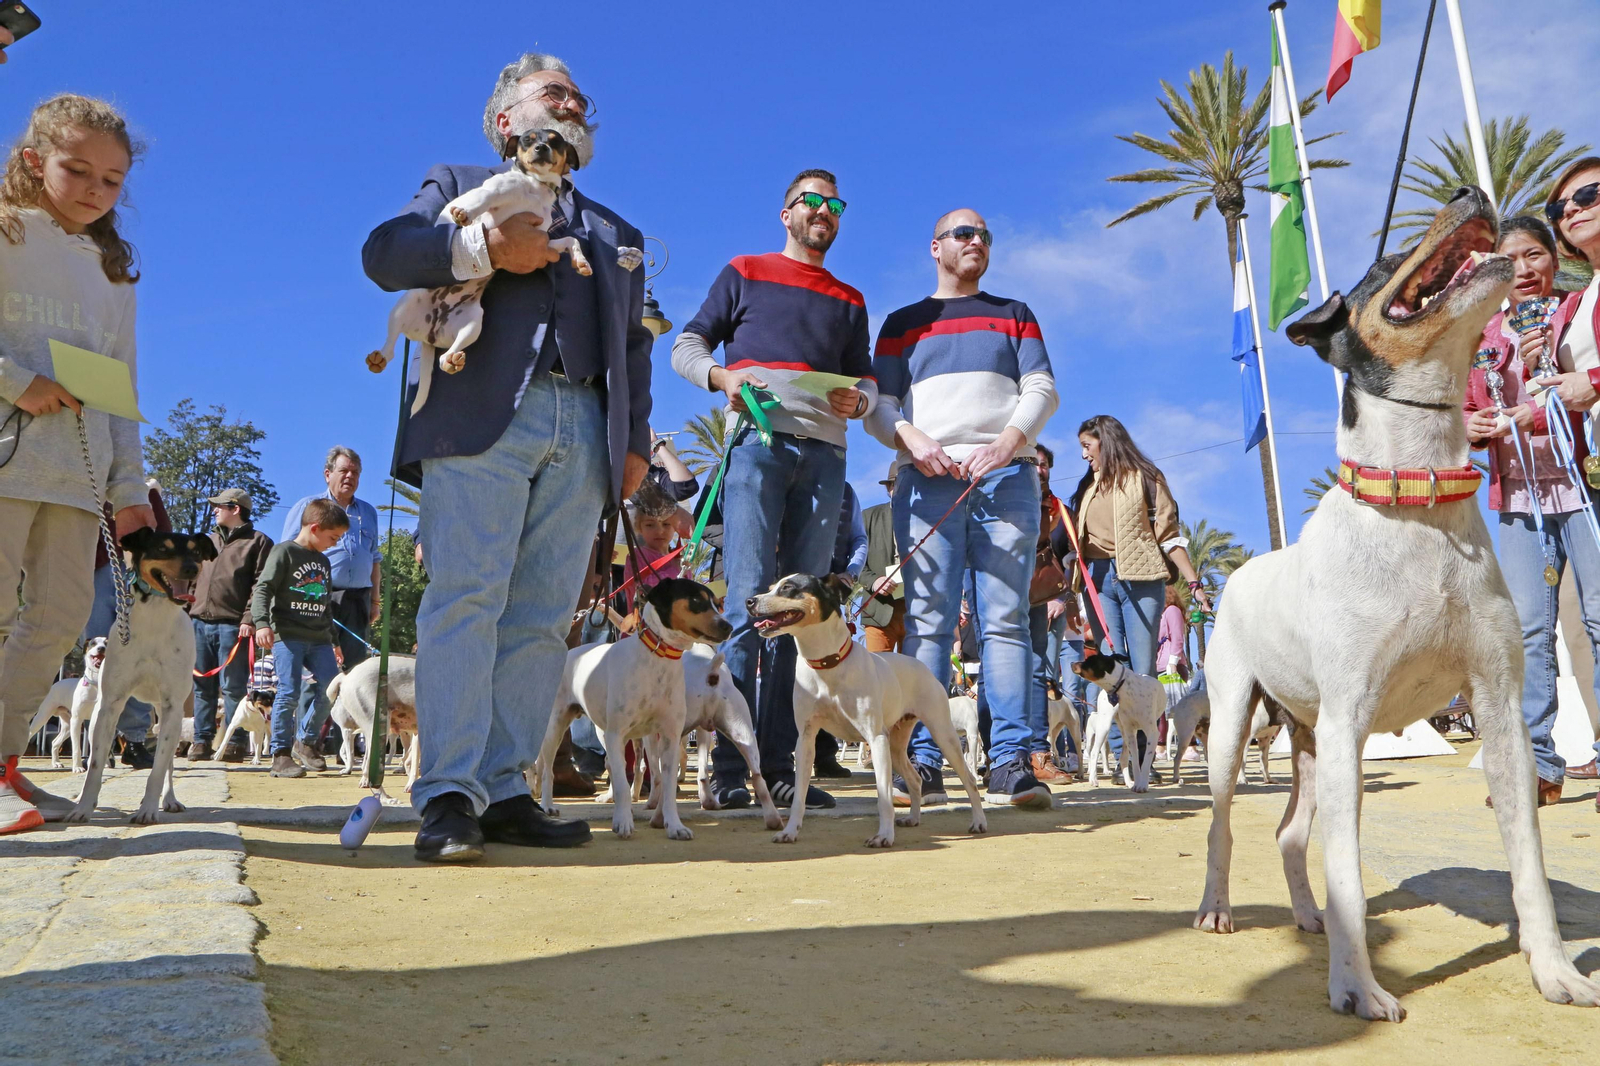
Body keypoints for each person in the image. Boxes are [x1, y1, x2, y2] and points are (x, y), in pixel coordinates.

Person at [364, 51, 650, 861]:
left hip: (586, 427)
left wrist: (631, 443)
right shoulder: (456, 181)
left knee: (539, 620)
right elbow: (385, 253)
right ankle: (449, 793)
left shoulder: (615, 232)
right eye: (553, 93)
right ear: (505, 123)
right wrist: (481, 248)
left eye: (578, 96)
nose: (572, 103)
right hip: (480, 416)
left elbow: (634, 344)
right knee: (465, 600)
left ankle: (506, 786)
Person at [672, 167, 875, 811]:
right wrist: (721, 380)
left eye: (834, 204)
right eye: (811, 201)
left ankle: (785, 767)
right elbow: (685, 345)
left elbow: (868, 383)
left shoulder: (850, 298)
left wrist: (861, 399)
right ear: (784, 213)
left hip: (826, 457)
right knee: (747, 601)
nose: (824, 211)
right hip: (755, 449)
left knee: (802, 609)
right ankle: (732, 769)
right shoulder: (744, 270)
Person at [865, 207, 1060, 809]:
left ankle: (1009, 762)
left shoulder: (1015, 315)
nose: (978, 242)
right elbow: (878, 403)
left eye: (985, 236)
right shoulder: (902, 324)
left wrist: (1009, 443)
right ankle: (917, 759)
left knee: (1003, 622)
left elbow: (1042, 389)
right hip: (925, 484)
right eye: (964, 234)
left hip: (1009, 481)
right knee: (927, 623)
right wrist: (911, 439)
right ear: (935, 248)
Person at [0, 94, 154, 835]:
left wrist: (129, 490)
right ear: (35, 161)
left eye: (113, 179)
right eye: (78, 170)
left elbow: (117, 385)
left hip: (78, 478)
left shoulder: (113, 272)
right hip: (3, 460)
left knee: (61, 616)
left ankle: (2, 767)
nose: (96, 189)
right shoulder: (3, 232)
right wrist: (15, 381)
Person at [1465, 214, 1600, 802]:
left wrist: (1539, 409)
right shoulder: (1481, 336)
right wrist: (1470, 427)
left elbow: (1582, 393)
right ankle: (1538, 764)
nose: (1523, 269)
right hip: (1519, 500)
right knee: (1526, 629)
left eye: (1534, 255)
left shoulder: (1578, 313)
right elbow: (1470, 408)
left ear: (1555, 257)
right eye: (1509, 259)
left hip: (1584, 487)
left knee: (1598, 621)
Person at [1070, 415, 1212, 768]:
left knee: (1143, 672)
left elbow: (1169, 534)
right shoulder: (1087, 486)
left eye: (1087, 446)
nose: (1084, 455)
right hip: (1097, 580)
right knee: (1110, 668)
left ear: (1106, 440)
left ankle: (1144, 761)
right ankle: (1124, 759)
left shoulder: (1148, 479)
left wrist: (1194, 584)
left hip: (1142, 577)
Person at [252, 498, 346, 779]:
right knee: (289, 692)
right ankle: (280, 755)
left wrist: (335, 640)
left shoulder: (323, 562)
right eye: (333, 537)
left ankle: (305, 741)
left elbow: (326, 606)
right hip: (288, 635)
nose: (334, 543)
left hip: (319, 638)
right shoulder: (284, 553)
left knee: (333, 689)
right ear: (315, 528)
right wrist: (261, 623)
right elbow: (263, 589)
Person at [187, 487, 273, 761]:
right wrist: (187, 609)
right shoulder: (208, 541)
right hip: (198, 622)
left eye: (219, 506)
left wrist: (250, 618)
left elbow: (262, 584)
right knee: (201, 686)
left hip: (234, 626)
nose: (214, 510)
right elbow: (192, 577)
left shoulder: (258, 542)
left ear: (235, 509)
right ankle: (201, 742)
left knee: (234, 687)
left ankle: (234, 743)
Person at [282, 447, 380, 673]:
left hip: (358, 600)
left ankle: (345, 710)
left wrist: (375, 602)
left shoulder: (368, 512)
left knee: (354, 670)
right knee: (317, 670)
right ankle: (312, 709)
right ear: (328, 474)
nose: (350, 477)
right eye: (344, 470)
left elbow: (374, 560)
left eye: (355, 473)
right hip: (318, 596)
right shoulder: (308, 506)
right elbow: (288, 554)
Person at [813, 480, 869, 779]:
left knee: (829, 675)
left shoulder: (846, 490)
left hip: (831, 598)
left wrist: (852, 572)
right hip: (794, 594)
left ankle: (825, 755)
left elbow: (859, 538)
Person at [857, 465, 904, 654]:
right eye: (897, 485)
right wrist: (874, 581)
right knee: (877, 675)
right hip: (878, 611)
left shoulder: (927, 519)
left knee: (913, 679)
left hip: (917, 612)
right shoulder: (867, 517)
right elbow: (854, 561)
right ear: (889, 488)